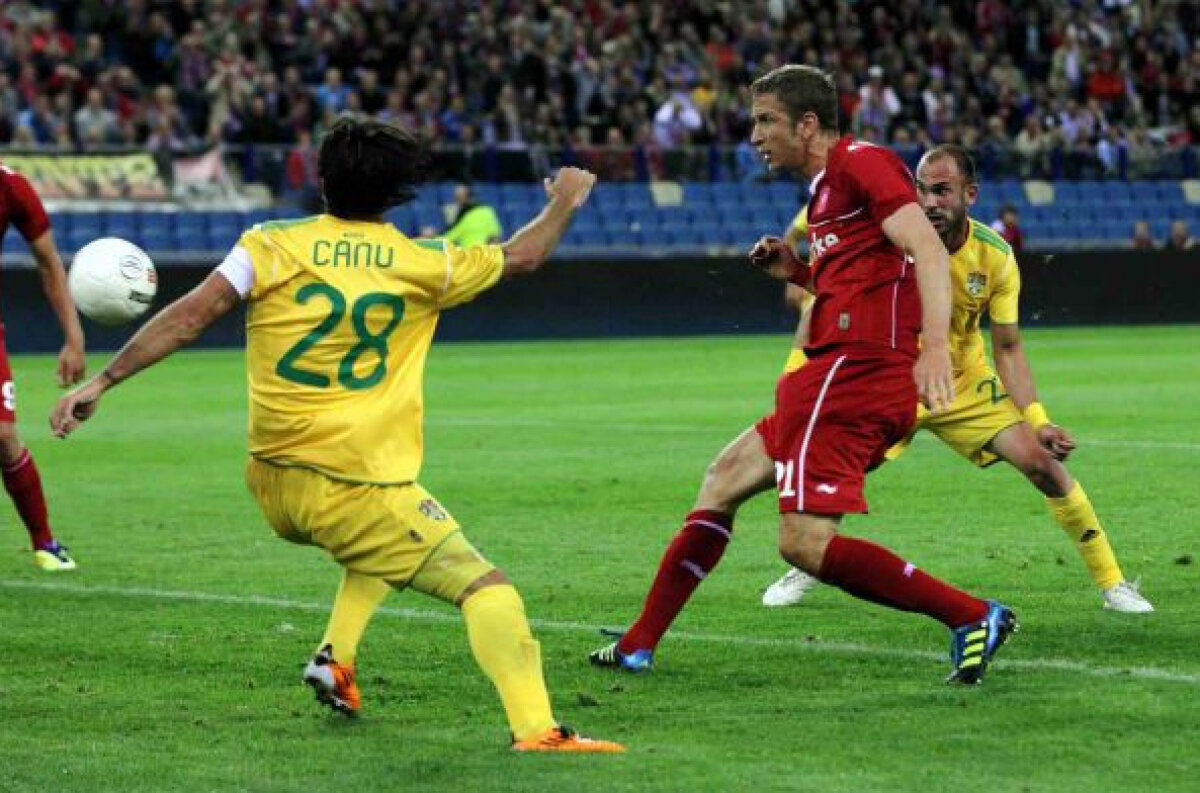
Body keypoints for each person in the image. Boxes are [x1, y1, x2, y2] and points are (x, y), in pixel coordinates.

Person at [50, 117, 622, 753]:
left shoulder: (268, 244)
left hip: (272, 481)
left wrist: (102, 381)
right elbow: (524, 255)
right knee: (487, 589)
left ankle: (336, 658)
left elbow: (189, 318)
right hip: (354, 485)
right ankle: (538, 731)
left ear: (321, 180)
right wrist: (564, 200)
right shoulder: (425, 263)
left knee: (380, 551)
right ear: (398, 193)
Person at [590, 65, 1016, 685]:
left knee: (803, 543)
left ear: (808, 124)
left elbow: (925, 248)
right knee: (722, 480)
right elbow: (862, 281)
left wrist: (930, 349)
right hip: (832, 372)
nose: (755, 135)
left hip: (855, 373)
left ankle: (972, 614)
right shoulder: (825, 193)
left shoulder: (862, 163)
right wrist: (795, 270)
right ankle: (637, 644)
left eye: (767, 121)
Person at [763, 145, 1153, 613]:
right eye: (922, 190)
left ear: (970, 194)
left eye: (942, 191)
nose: (929, 202)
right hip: (891, 373)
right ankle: (810, 560)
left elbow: (1008, 347)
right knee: (840, 469)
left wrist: (1038, 421)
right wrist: (797, 273)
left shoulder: (995, 256)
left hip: (963, 381)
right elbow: (838, 294)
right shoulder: (890, 236)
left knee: (1042, 465)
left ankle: (1113, 582)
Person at [0, 161, 86, 571]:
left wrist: (73, 336)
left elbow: (49, 261)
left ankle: (44, 543)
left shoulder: (11, 186)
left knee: (3, 435)